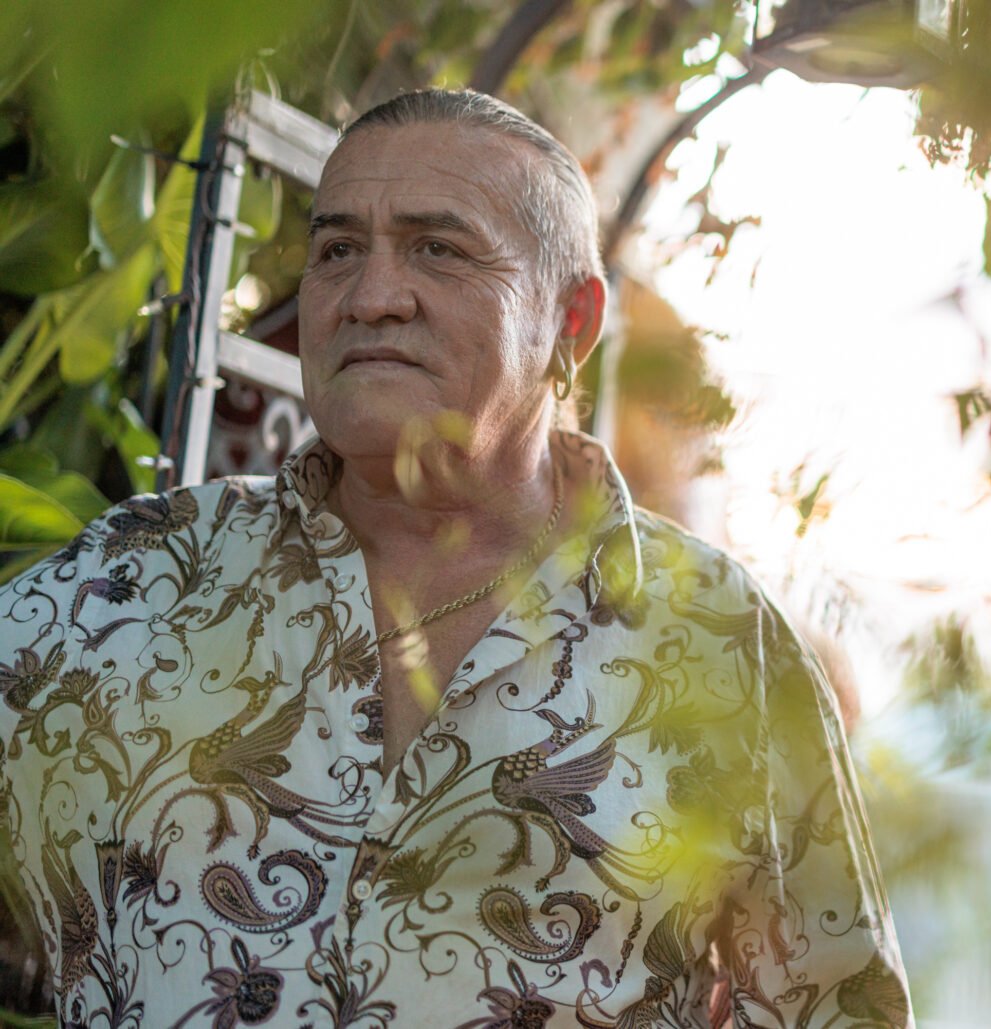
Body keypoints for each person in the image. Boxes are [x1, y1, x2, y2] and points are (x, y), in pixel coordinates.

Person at [0, 89, 911, 1027]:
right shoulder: (137, 580)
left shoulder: (721, 643)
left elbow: (841, 1001)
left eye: (439, 248)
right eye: (337, 250)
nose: (371, 296)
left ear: (572, 324)